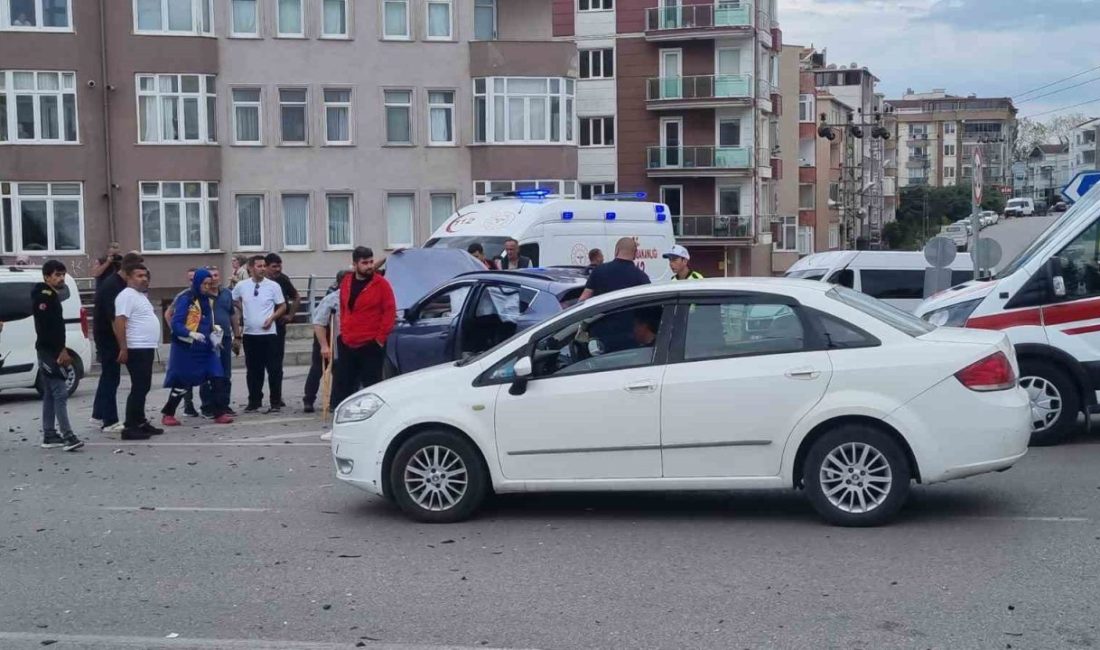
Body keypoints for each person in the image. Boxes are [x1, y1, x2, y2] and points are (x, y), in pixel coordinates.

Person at [314, 247, 396, 407]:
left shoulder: (381, 284)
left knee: (372, 384)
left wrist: (379, 339)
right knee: (343, 383)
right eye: (364, 263)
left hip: (370, 343)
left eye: (371, 262)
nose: (369, 266)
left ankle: (374, 416)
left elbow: (390, 312)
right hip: (347, 341)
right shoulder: (347, 282)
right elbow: (344, 307)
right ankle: (341, 412)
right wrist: (344, 331)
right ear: (355, 264)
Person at [160, 269, 234, 426]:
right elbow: (176, 323)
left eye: (209, 284)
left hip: (205, 347)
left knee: (217, 376)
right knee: (182, 382)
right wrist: (190, 333)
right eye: (204, 284)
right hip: (186, 348)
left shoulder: (206, 300)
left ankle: (219, 412)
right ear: (196, 283)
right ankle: (168, 412)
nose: (207, 287)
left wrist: (215, 331)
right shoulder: (186, 299)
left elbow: (206, 320)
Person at [33, 260, 83, 452]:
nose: (61, 278)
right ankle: (68, 436)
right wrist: (60, 350)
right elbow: (48, 328)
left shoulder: (52, 295)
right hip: (49, 352)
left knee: (50, 394)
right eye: (57, 275)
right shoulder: (44, 297)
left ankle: (49, 434)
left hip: (51, 350)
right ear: (47, 277)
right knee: (60, 392)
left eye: (63, 274)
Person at [92, 251, 143, 433]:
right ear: (128, 270)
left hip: (110, 336)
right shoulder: (112, 286)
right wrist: (123, 345)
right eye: (139, 272)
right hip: (108, 337)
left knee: (108, 376)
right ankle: (109, 420)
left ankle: (98, 413)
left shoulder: (119, 283)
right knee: (110, 377)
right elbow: (115, 319)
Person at [114, 263, 164, 441]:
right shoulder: (126, 296)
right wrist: (123, 347)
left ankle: (140, 421)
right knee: (139, 386)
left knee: (144, 385)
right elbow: (120, 321)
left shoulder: (140, 296)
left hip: (146, 346)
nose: (144, 279)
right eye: (139, 275)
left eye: (145, 275)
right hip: (136, 347)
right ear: (128, 277)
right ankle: (130, 426)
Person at [232, 255, 286, 413]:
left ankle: (275, 401)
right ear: (250, 268)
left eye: (264, 266)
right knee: (253, 370)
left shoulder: (273, 286)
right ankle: (254, 401)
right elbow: (233, 299)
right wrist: (244, 310)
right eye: (259, 266)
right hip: (250, 334)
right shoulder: (242, 285)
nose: (262, 269)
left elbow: (282, 306)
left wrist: (272, 318)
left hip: (269, 334)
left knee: (274, 369)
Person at [304, 270, 347, 413]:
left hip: (344, 339)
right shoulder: (331, 299)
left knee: (340, 370)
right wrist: (324, 346)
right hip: (326, 336)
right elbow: (318, 323)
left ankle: (336, 401)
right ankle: (308, 399)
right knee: (318, 368)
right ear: (339, 283)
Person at [199, 266, 239, 419]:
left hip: (225, 338)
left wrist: (238, 336)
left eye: (216, 275)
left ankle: (224, 404)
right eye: (211, 276)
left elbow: (233, 315)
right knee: (208, 374)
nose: (214, 278)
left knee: (225, 373)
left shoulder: (226, 294)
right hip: (208, 340)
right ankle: (208, 406)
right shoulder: (201, 296)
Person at [163, 269, 201, 418]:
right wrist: (177, 331)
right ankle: (187, 405)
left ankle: (212, 407)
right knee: (185, 374)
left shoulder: (205, 294)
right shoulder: (184, 296)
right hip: (186, 339)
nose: (192, 282)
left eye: (194, 279)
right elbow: (168, 313)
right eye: (190, 279)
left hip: (201, 339)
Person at [265, 253, 300, 410]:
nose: (278, 269)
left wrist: (290, 315)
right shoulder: (258, 281)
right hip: (259, 328)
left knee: (276, 365)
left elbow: (296, 297)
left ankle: (277, 398)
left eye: (280, 266)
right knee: (257, 366)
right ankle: (255, 399)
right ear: (266, 267)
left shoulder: (282, 279)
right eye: (274, 266)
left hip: (278, 327)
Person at [579, 237, 651, 301]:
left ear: (616, 250)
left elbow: (583, 300)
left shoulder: (598, 271)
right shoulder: (642, 277)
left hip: (602, 315)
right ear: (635, 254)